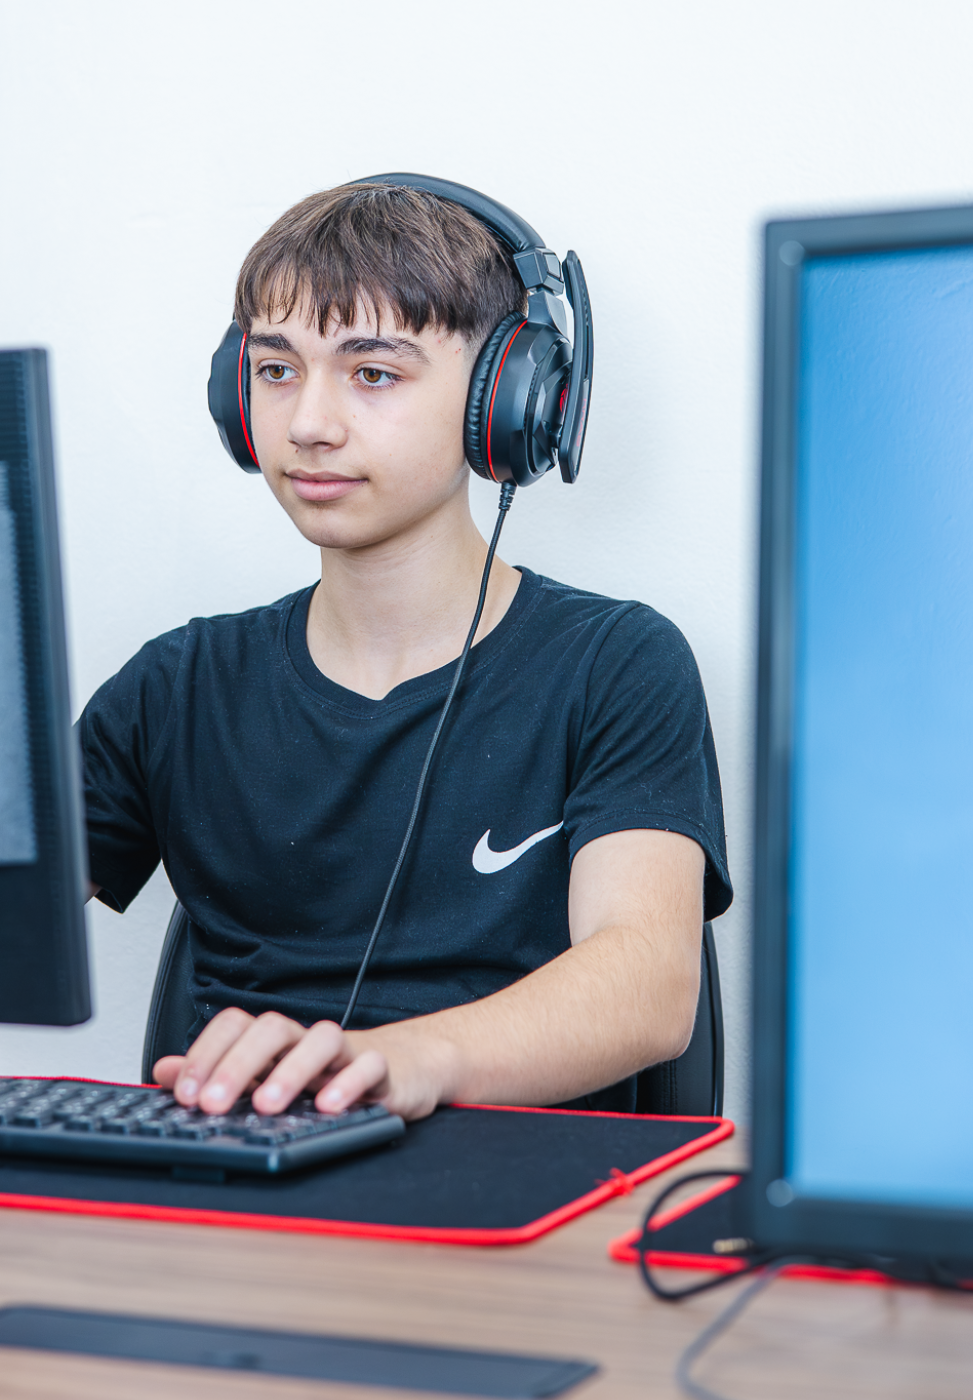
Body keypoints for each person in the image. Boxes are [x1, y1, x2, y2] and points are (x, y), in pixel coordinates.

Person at [79, 179, 732, 1123]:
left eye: (372, 372)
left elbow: (646, 986)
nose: (307, 423)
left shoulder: (615, 664)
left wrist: (393, 1065)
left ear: (505, 400)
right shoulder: (174, 689)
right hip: (235, 1212)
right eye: (275, 370)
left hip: (516, 1214)